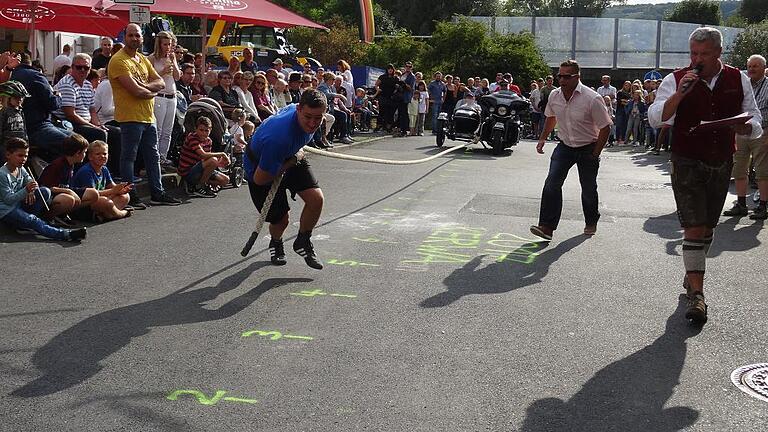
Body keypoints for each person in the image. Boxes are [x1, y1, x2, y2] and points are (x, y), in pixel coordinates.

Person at [649, 27, 763, 324]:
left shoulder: (737, 78)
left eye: (703, 54)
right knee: (694, 227)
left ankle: (691, 275)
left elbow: (754, 117)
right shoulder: (676, 78)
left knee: (709, 226)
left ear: (718, 54)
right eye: (693, 54)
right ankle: (697, 295)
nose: (696, 60)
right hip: (686, 159)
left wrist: (746, 127)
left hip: (721, 158)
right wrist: (678, 94)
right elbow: (656, 116)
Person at [244, 89, 327, 269]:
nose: (313, 123)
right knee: (281, 219)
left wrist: (293, 158)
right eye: (308, 117)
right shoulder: (278, 138)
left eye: (318, 118)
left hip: (290, 156)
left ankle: (303, 241)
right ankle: (276, 242)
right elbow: (260, 179)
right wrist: (290, 162)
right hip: (262, 167)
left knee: (316, 199)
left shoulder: (297, 111)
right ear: (298, 109)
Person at [530, 60, 612, 242]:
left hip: (588, 147)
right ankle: (547, 227)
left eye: (567, 76)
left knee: (588, 188)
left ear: (577, 77)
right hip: (565, 146)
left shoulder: (592, 98)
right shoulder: (554, 96)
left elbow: (605, 127)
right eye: (560, 75)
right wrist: (543, 138)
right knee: (552, 183)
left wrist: (595, 153)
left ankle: (591, 220)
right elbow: (551, 117)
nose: (562, 79)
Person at [108, 23, 181, 208]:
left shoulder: (141, 59)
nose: (134, 38)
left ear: (142, 38)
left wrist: (146, 89)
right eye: (131, 35)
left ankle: (158, 192)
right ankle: (130, 194)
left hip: (149, 116)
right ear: (125, 37)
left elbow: (159, 82)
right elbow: (136, 91)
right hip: (130, 117)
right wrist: (149, 90)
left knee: (153, 156)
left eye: (137, 36)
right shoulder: (118, 60)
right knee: (129, 157)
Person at [0, 138, 86, 241]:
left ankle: (27, 224)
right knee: (34, 220)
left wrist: (31, 189)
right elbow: (8, 200)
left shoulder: (20, 168)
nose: (23, 159)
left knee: (44, 191)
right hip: (7, 209)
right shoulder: (3, 174)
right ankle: (66, 234)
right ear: (8, 155)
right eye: (20, 156)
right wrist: (26, 190)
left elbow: (29, 179)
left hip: (18, 204)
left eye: (26, 156)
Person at [723, 54, 768, 220]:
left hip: (763, 133)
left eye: (756, 66)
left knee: (763, 171)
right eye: (749, 66)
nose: (751, 69)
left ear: (764, 68)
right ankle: (741, 204)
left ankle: (763, 206)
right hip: (742, 133)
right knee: (739, 168)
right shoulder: (743, 85)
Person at [11, 55, 72, 159]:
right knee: (75, 143)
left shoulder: (8, 75)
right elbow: (52, 104)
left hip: (15, 129)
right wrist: (58, 96)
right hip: (36, 127)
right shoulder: (36, 76)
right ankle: (60, 173)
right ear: (30, 63)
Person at [38, 133, 102, 222]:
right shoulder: (57, 165)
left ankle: (65, 213)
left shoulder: (71, 164)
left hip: (65, 190)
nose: (85, 155)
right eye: (84, 152)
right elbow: (48, 187)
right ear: (77, 153)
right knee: (69, 200)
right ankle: (49, 217)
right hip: (53, 195)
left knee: (94, 194)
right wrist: (69, 191)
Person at [72, 140, 132, 220]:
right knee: (106, 202)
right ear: (90, 157)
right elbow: (92, 194)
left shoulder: (104, 169)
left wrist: (121, 190)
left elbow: (112, 187)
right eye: (98, 154)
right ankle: (120, 213)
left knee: (125, 196)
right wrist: (113, 191)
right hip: (86, 203)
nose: (102, 156)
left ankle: (106, 215)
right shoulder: (86, 171)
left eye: (104, 154)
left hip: (102, 197)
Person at [150, 31, 180, 172]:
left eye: (170, 44)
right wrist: (162, 71)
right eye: (165, 44)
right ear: (159, 45)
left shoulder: (171, 57)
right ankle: (155, 158)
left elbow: (178, 77)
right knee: (158, 129)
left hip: (171, 96)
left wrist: (173, 61)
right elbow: (149, 78)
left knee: (168, 130)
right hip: (159, 95)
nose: (168, 47)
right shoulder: (152, 59)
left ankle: (163, 156)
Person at [178, 116, 229, 198]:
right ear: (196, 129)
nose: (204, 133)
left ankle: (198, 183)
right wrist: (222, 154)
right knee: (213, 160)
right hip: (188, 170)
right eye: (201, 130)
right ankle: (199, 187)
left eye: (206, 130)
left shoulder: (208, 141)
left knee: (225, 180)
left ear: (210, 130)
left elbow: (206, 158)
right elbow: (203, 154)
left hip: (200, 169)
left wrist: (221, 162)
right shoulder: (192, 137)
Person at [0, 81, 29, 163]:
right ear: (6, 98)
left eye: (21, 98)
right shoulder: (3, 112)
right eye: (16, 97)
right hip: (6, 150)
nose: (20, 100)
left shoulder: (20, 112)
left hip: (20, 148)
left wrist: (27, 144)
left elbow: (24, 130)